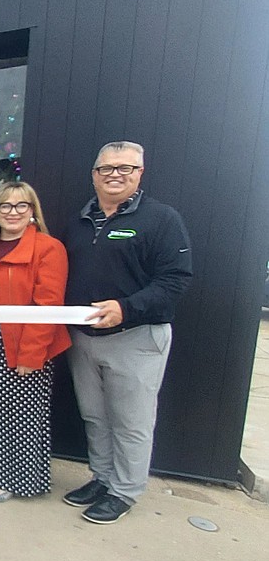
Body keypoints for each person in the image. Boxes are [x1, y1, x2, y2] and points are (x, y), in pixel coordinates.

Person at [63, 141, 192, 524]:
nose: (115, 175)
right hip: (85, 339)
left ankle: (125, 491)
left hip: (136, 337)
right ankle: (102, 478)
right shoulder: (79, 220)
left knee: (131, 422)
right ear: (94, 175)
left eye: (125, 168)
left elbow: (175, 279)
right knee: (95, 417)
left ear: (140, 173)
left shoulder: (162, 219)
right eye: (106, 168)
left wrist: (126, 308)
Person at [0, 182, 70, 501]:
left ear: (33, 211)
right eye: (5, 206)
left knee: (14, 412)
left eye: (22, 205)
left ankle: (7, 481)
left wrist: (31, 355)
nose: (13, 212)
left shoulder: (48, 248)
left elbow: (48, 306)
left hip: (19, 342)